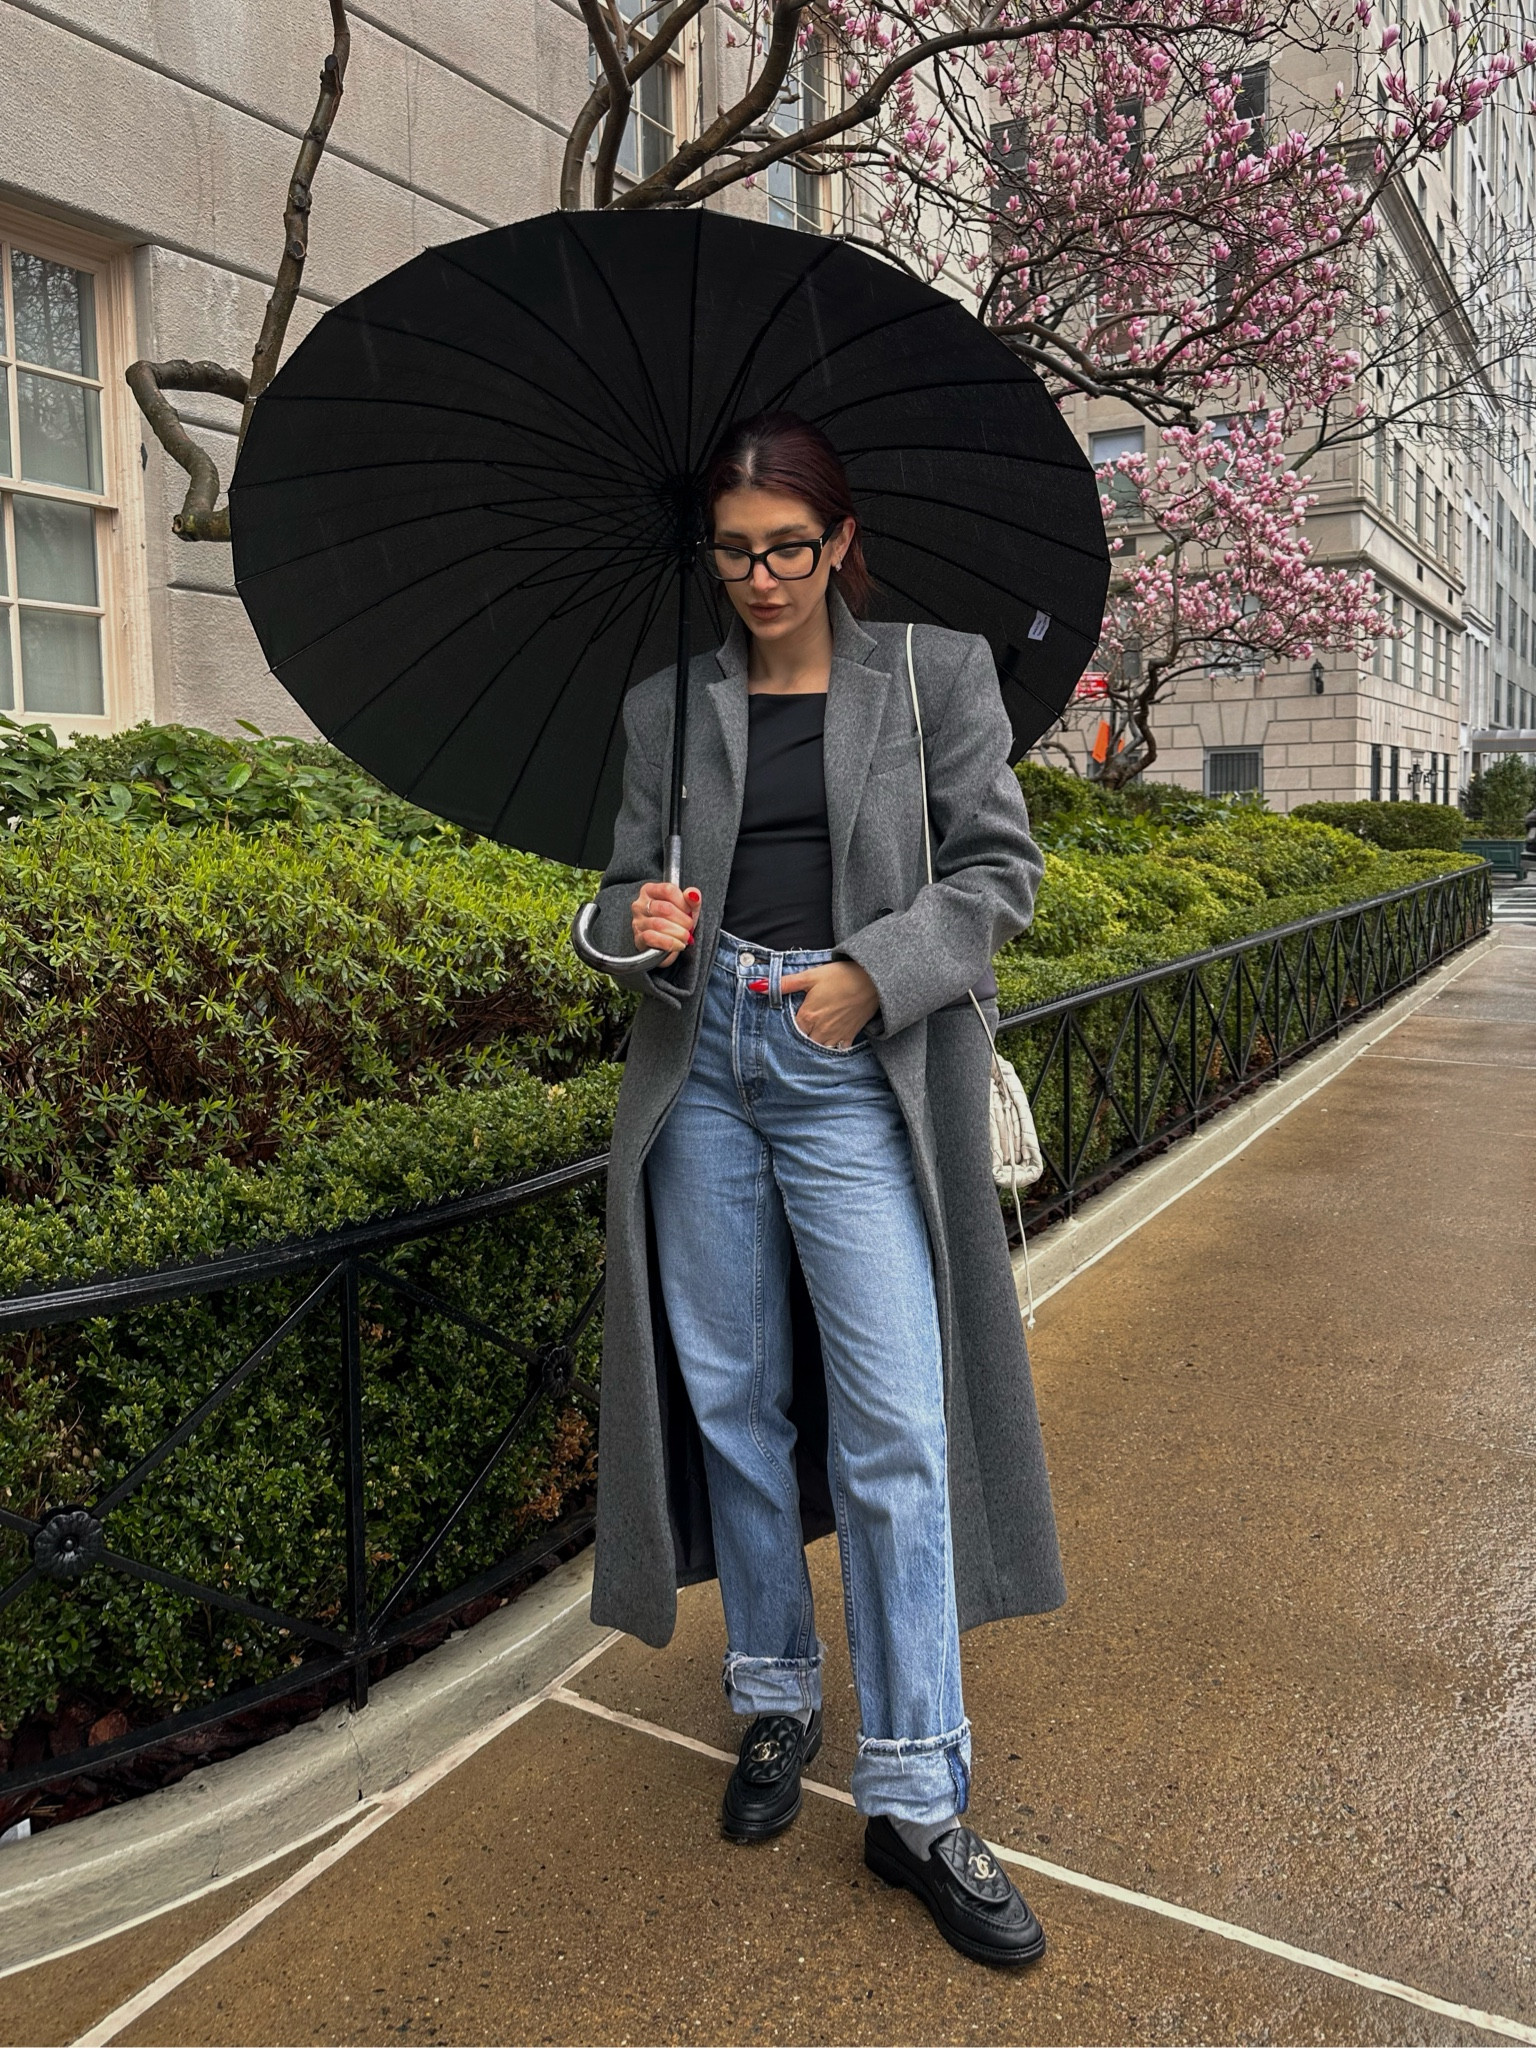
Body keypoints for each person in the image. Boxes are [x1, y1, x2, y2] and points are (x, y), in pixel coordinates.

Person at [583, 412, 1066, 1968]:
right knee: (733, 1399)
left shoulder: (934, 679)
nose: (762, 575)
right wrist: (634, 924)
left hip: (846, 1051)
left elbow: (1001, 875)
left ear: (839, 541)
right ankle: (775, 1699)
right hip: (702, 1050)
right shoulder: (669, 704)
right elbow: (609, 898)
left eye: (789, 545)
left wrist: (873, 973)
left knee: (898, 1424)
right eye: (733, 549)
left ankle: (920, 1794)